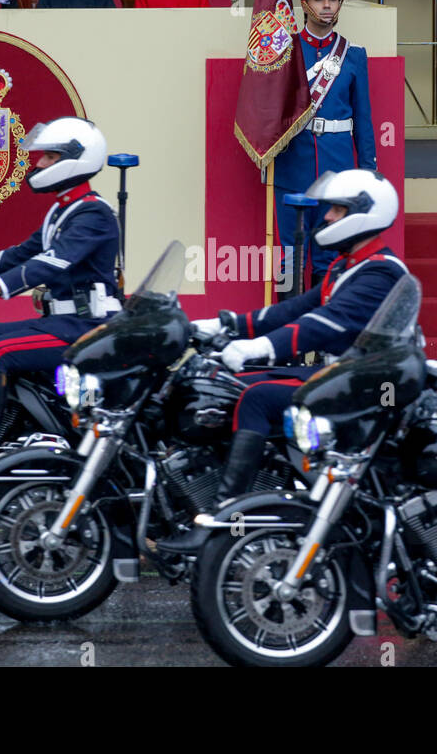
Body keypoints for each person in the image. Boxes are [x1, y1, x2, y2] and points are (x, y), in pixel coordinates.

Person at [156, 169, 404, 553]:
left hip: (368, 383)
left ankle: (226, 516)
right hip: (342, 375)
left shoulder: (381, 273)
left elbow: (320, 325)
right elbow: (290, 310)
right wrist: (223, 325)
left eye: (338, 210)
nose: (327, 218)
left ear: (364, 213)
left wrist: (260, 348)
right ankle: (242, 486)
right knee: (226, 383)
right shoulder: (348, 266)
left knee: (255, 398)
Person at [0, 117, 123, 487]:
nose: (39, 164)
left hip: (87, 328)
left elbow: (50, 262)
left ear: (75, 159)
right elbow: (17, 254)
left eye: (48, 157)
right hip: (59, 323)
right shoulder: (63, 210)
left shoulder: (94, 212)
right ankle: (3, 435)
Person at [274, 0, 375, 288]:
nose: (328, 5)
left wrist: (367, 172)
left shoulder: (354, 55)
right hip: (293, 162)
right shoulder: (286, 49)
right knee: (288, 257)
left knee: (329, 255)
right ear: (305, 2)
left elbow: (363, 122)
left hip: (338, 163)